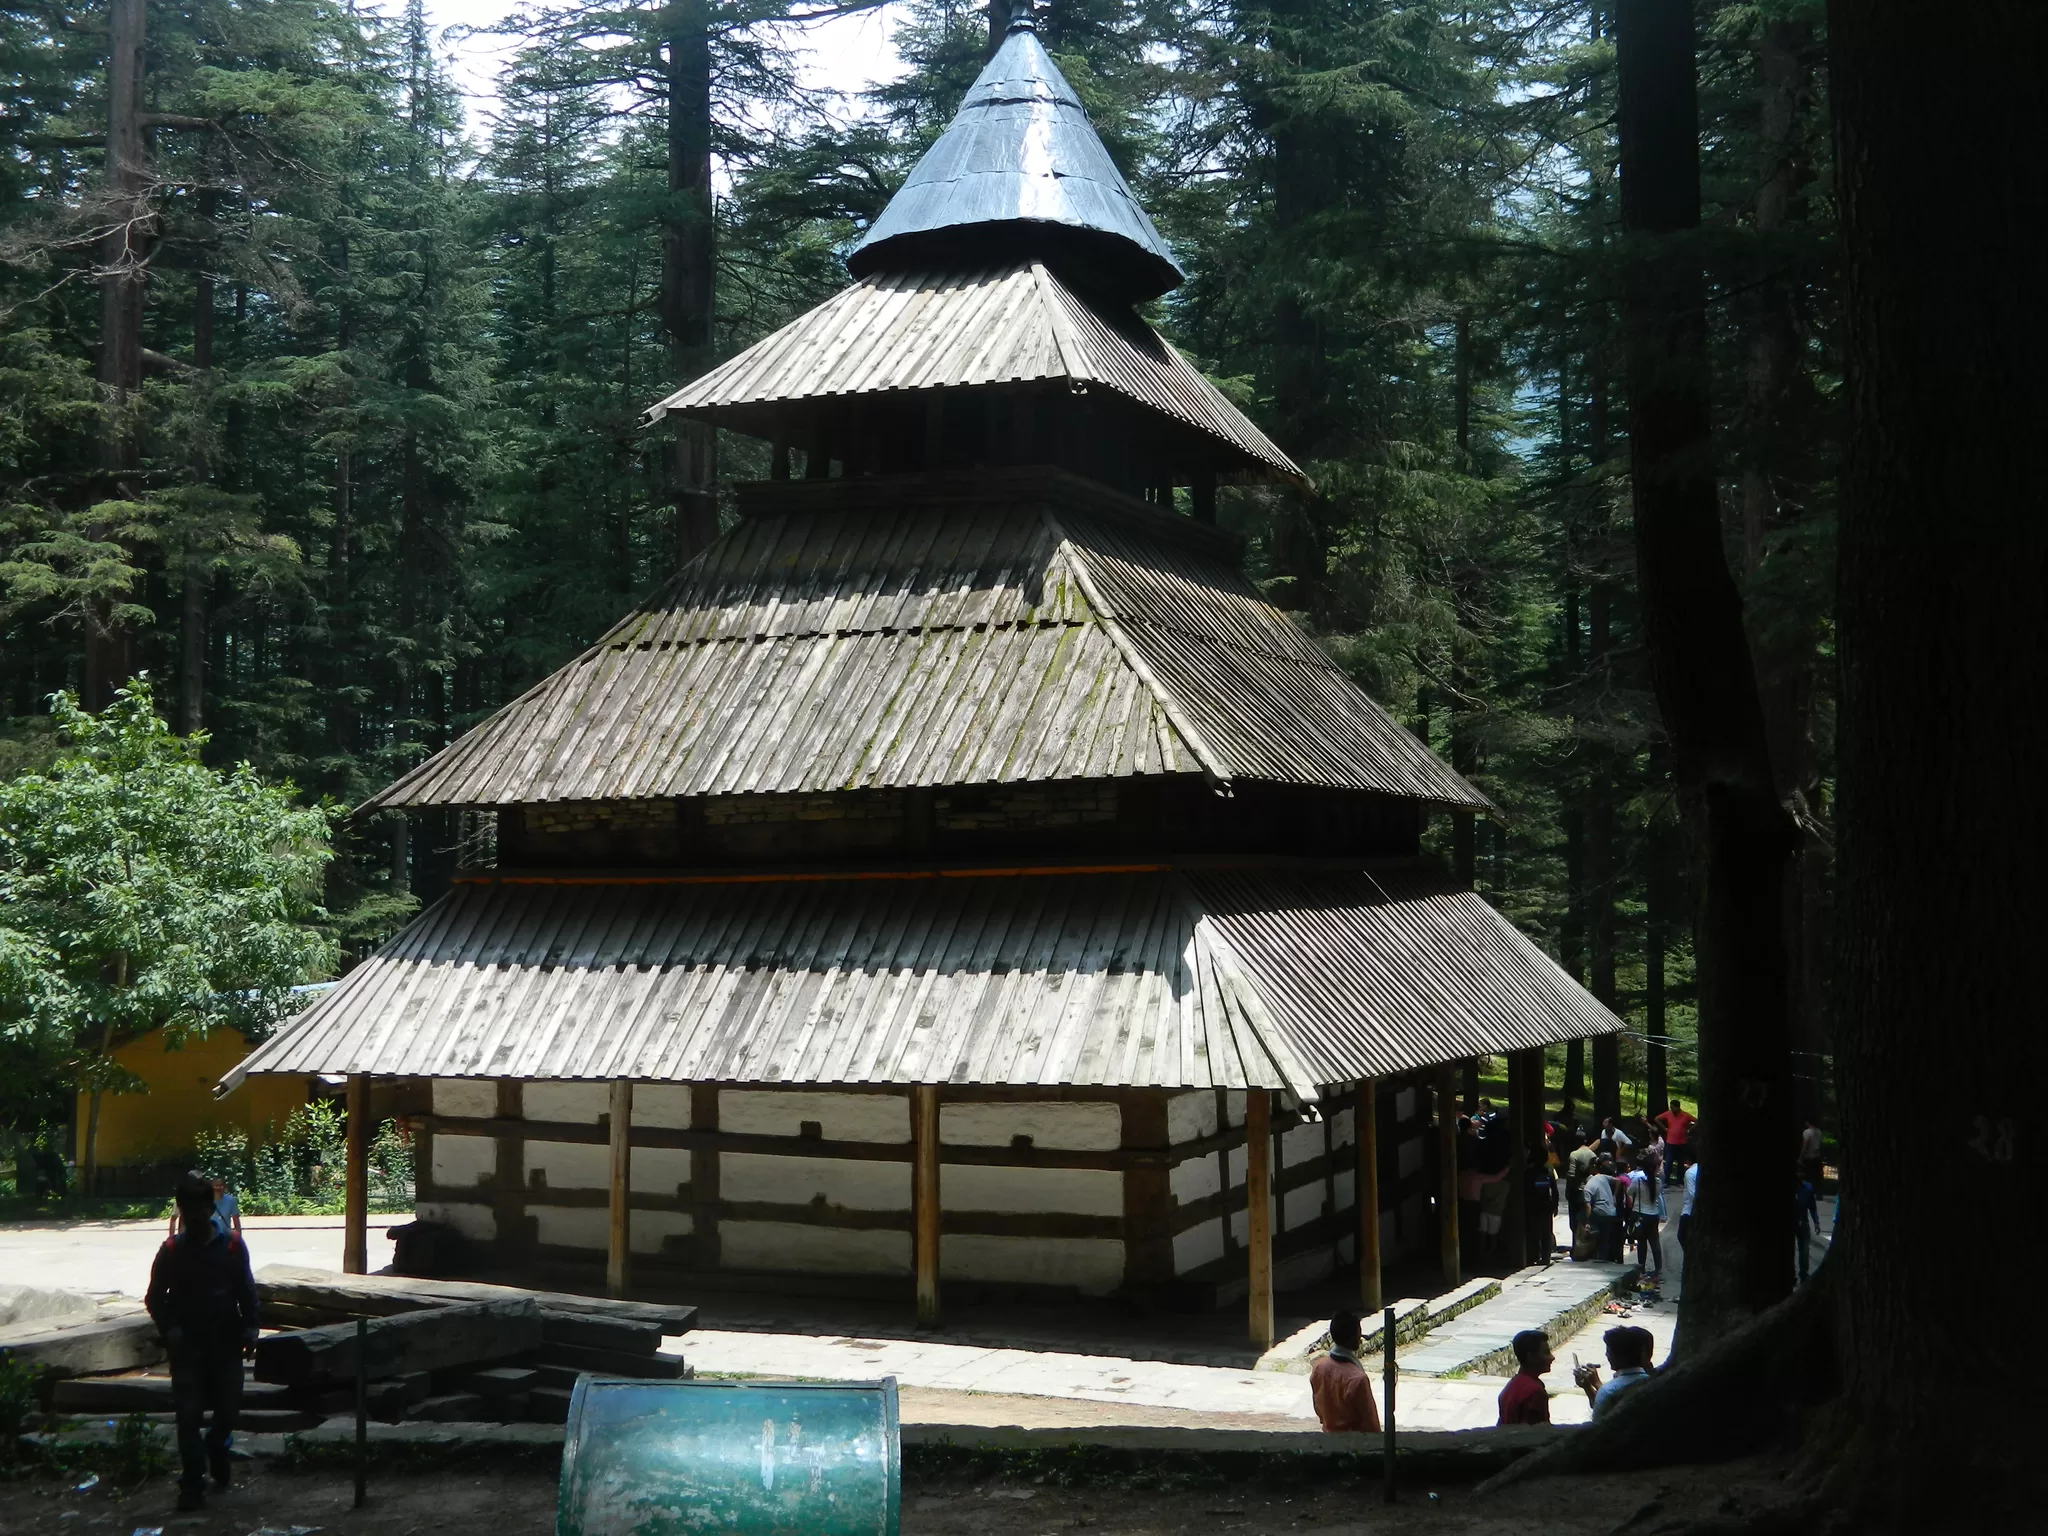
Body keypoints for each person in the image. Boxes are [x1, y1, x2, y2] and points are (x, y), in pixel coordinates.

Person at [146, 1172, 259, 1510]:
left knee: (227, 1412)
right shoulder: (171, 1251)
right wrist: (172, 1330)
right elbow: (154, 1298)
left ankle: (218, 1446)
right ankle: (192, 1483)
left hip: (225, 1343)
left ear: (211, 1208)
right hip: (187, 1347)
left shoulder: (232, 1247)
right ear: (180, 1210)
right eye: (187, 1211)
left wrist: (251, 1329)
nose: (193, 1218)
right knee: (188, 1415)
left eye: (199, 1210)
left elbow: (247, 1291)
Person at [1310, 1311, 1382, 1433]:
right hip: (1354, 1443)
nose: (1360, 1339)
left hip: (1328, 1436)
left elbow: (1318, 1409)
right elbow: (1371, 1423)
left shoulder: (1318, 1368)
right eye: (1358, 1334)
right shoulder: (1358, 1379)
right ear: (1352, 1338)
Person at [1574, 1325, 1655, 1418]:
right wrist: (1588, 1387)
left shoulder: (1608, 1391)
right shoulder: (1655, 1381)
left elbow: (1599, 1421)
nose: (1606, 1355)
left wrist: (1596, 1384)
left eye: (1608, 1351)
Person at [1496, 1329, 1554, 1425]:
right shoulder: (1534, 1392)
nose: (1552, 1357)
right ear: (1531, 1356)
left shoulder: (1512, 1385)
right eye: (1546, 1353)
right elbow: (1538, 1433)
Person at [166, 1173, 241, 1241]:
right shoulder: (184, 1199)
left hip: (213, 1238)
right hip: (193, 1239)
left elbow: (236, 1220)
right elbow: (176, 1219)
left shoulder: (208, 1198)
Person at [1626, 1155, 1664, 1278]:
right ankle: (1658, 1269)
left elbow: (1629, 1192)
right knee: (1654, 1242)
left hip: (1640, 1214)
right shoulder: (1658, 1182)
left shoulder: (1638, 1179)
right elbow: (1657, 1194)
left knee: (1642, 1242)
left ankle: (1641, 1268)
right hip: (1653, 1215)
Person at [1566, 1128, 1599, 1256]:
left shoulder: (1574, 1154)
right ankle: (1589, 1248)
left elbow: (1571, 1175)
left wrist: (1569, 1190)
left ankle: (1577, 1247)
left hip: (1577, 1191)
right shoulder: (1592, 1154)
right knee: (1586, 1219)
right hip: (1590, 1188)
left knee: (1575, 1221)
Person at [1586, 1155, 1624, 1262]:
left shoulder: (1596, 1180)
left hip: (1605, 1214)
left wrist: (1589, 1221)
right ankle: (1613, 1259)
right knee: (1612, 1240)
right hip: (1614, 1213)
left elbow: (1587, 1204)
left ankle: (1603, 1259)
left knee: (1603, 1240)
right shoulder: (1610, 1179)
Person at [1655, 1099, 1696, 1186]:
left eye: (1673, 1107)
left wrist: (1689, 1130)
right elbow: (1657, 1119)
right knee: (1668, 1162)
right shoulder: (1669, 1114)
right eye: (1671, 1107)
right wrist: (1665, 1128)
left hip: (1682, 1143)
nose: (1672, 1109)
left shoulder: (1685, 1115)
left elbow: (1697, 1121)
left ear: (1678, 1107)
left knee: (1681, 1163)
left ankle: (1679, 1181)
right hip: (1670, 1142)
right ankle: (1666, 1181)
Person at [1794, 1170, 1820, 1283]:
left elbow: (1812, 1207)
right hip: (1791, 1221)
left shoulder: (1808, 1188)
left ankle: (1803, 1273)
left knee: (1804, 1250)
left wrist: (1816, 1222)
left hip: (1803, 1222)